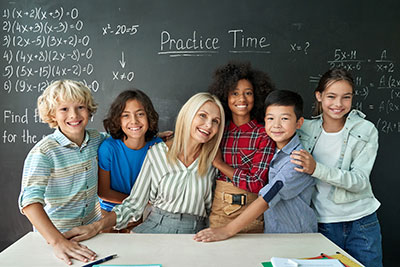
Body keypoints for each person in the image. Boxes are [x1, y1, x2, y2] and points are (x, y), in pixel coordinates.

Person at [64, 92, 225, 240]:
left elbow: (217, 207)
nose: (208, 125)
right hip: (157, 226)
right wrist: (95, 226)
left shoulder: (214, 159)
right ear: (188, 115)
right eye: (202, 116)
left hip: (199, 233)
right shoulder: (157, 152)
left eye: (215, 121)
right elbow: (134, 204)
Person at [194, 90, 316, 242]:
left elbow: (267, 197)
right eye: (270, 118)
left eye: (284, 118)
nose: (276, 125)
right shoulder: (274, 150)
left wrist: (227, 230)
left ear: (299, 123)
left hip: (295, 237)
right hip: (273, 234)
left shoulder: (298, 160)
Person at [290, 68, 382, 267]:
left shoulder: (365, 130)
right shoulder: (303, 128)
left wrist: (316, 169)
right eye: (331, 96)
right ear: (319, 96)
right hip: (322, 223)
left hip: (362, 223)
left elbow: (359, 181)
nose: (338, 104)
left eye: (346, 97)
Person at [18, 80, 107, 265]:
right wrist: (57, 241)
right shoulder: (44, 152)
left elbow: (126, 138)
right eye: (64, 109)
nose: (74, 115)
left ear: (89, 110)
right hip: (55, 239)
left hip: (91, 234)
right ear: (52, 114)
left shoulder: (97, 139)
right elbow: (29, 202)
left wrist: (152, 137)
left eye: (80, 107)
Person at [208, 61, 275, 233]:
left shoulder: (263, 134)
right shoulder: (217, 129)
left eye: (248, 93)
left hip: (251, 212)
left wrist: (221, 165)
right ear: (225, 97)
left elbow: (257, 184)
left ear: (257, 97)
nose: (242, 99)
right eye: (235, 93)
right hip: (218, 210)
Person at [98, 89, 162, 232]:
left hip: (146, 213)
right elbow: (103, 192)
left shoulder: (158, 146)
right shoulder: (108, 148)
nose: (134, 121)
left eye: (140, 114)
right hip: (110, 212)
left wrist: (142, 207)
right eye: (126, 115)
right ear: (118, 120)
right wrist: (137, 203)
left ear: (149, 117)